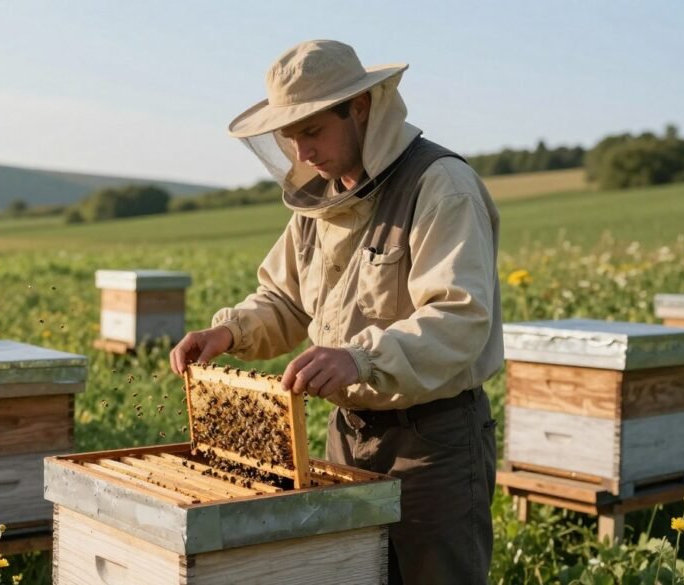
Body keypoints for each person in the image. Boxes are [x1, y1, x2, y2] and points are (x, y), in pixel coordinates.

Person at [170, 39, 503, 585]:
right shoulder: (320, 202)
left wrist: (360, 358)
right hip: (344, 434)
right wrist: (227, 332)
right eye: (289, 136)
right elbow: (284, 298)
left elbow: (459, 316)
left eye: (313, 130)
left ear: (362, 108)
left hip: (432, 443)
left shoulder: (439, 185)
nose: (302, 152)